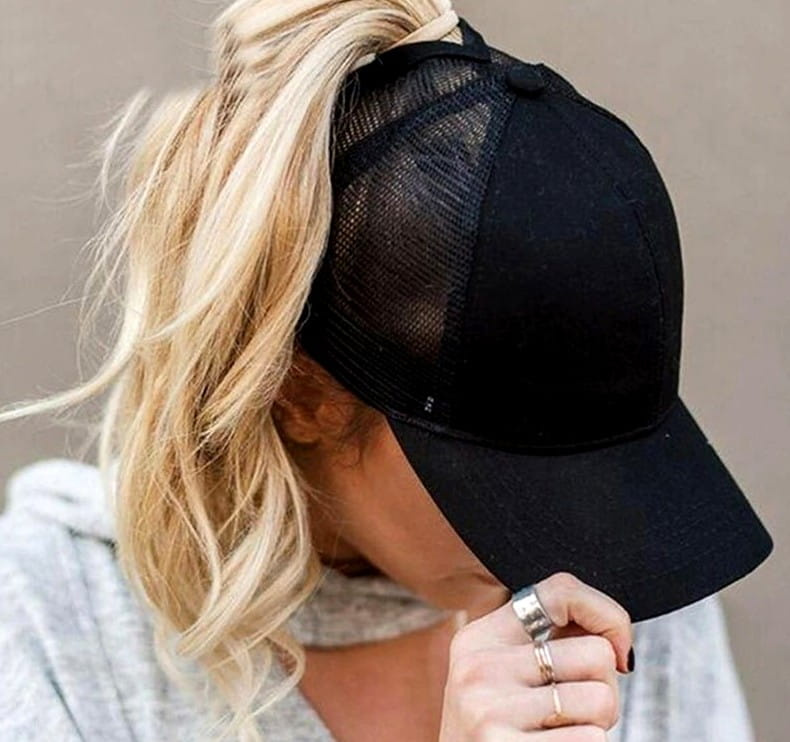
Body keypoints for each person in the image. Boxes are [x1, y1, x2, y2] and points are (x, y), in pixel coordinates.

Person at [0, 1, 772, 741]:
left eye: (604, 468)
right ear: (297, 391)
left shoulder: (634, 579)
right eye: (514, 486)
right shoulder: (55, 624)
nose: (580, 542)